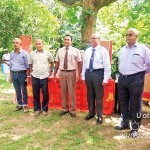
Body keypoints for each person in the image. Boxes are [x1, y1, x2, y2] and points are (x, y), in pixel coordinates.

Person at [114, 28, 150, 138]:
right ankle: (124, 123)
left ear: (136, 37)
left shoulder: (143, 49)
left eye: (130, 34)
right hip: (122, 78)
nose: (128, 37)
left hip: (136, 79)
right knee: (123, 102)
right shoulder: (122, 50)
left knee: (136, 104)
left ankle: (135, 128)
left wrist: (140, 75)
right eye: (126, 35)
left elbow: (149, 65)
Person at [82, 33, 111, 125]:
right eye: (91, 38)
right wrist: (83, 76)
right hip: (88, 74)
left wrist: (105, 79)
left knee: (99, 96)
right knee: (89, 95)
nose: (92, 39)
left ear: (99, 39)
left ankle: (99, 116)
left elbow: (107, 65)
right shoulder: (87, 50)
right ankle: (91, 113)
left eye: (94, 38)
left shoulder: (103, 50)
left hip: (98, 74)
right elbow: (84, 65)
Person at [54, 34, 82, 117]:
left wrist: (78, 73)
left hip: (72, 72)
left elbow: (80, 62)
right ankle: (65, 108)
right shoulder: (60, 50)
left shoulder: (75, 50)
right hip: (62, 72)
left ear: (71, 41)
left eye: (68, 40)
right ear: (63, 41)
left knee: (71, 91)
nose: (66, 41)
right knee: (63, 91)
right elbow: (57, 62)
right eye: (65, 39)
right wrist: (54, 73)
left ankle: (72, 110)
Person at [29, 39, 54, 116]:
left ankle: (45, 109)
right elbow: (30, 64)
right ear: (35, 45)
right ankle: (37, 109)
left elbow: (52, 62)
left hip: (44, 77)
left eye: (40, 44)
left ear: (43, 44)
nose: (38, 45)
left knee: (45, 93)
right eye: (37, 44)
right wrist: (31, 73)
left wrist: (51, 71)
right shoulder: (32, 54)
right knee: (35, 93)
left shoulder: (47, 53)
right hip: (35, 76)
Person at [10, 38, 30, 113]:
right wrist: (11, 76)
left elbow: (28, 67)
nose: (15, 44)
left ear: (20, 44)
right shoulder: (11, 53)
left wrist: (27, 77)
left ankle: (25, 105)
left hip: (22, 74)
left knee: (24, 90)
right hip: (14, 74)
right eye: (14, 43)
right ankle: (19, 104)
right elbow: (10, 66)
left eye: (17, 43)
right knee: (17, 90)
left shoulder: (24, 53)